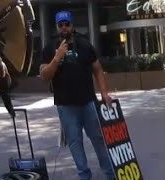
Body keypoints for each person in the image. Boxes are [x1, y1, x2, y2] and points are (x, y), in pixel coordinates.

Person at [39, 11, 115, 180]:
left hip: (89, 103)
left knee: (98, 140)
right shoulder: (50, 47)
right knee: (75, 143)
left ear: (72, 25)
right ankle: (84, 175)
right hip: (66, 107)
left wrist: (104, 93)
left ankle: (110, 174)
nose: (64, 28)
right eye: (61, 25)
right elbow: (44, 76)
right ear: (57, 27)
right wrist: (57, 57)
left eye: (67, 24)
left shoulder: (85, 45)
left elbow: (97, 69)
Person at [0, 52, 15, 118]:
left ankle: (12, 112)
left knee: (1, 98)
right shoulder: (3, 63)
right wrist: (9, 80)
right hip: (4, 82)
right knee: (2, 97)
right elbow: (7, 73)